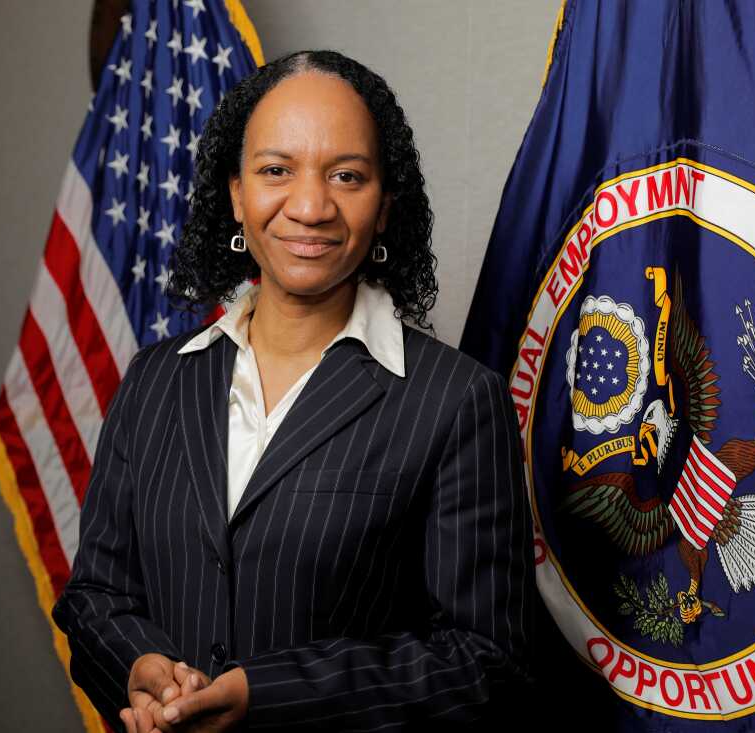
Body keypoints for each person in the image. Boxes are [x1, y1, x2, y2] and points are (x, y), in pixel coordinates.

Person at [52, 50, 534, 732]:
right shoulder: (155, 379)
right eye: (276, 170)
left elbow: (486, 663)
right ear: (236, 194)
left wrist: (268, 694)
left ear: (386, 203)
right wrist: (138, 666)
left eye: (347, 175)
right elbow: (96, 593)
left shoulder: (456, 402)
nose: (310, 206)